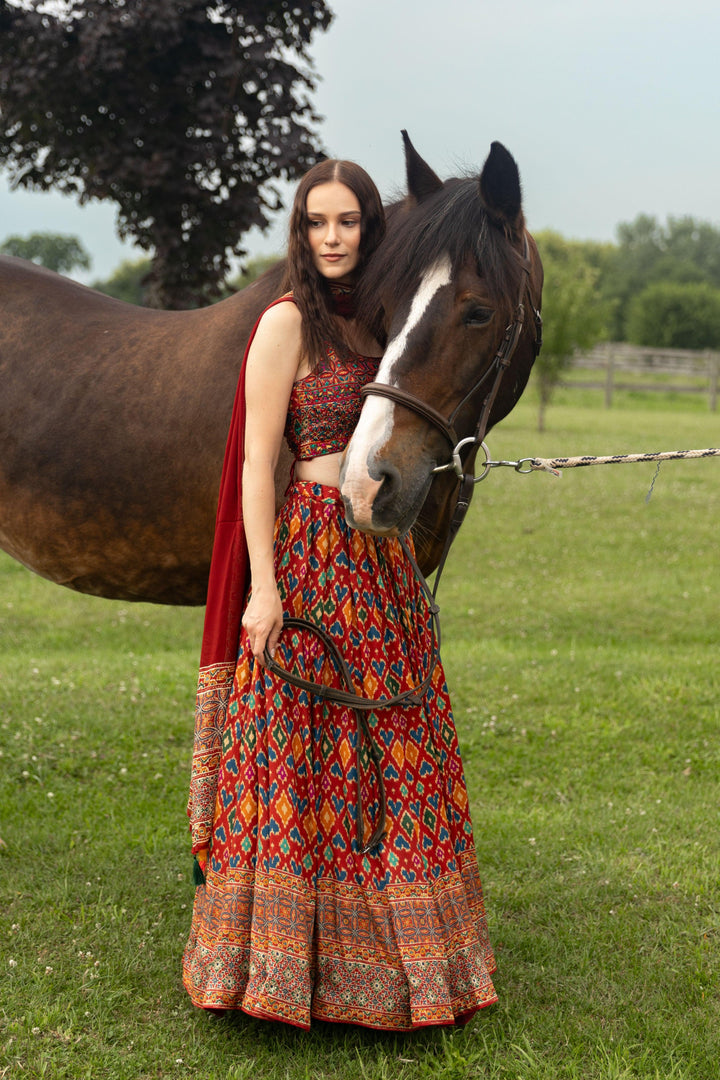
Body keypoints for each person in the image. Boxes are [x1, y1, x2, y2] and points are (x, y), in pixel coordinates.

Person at [182, 158, 497, 1030]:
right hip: (311, 549)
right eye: (317, 222)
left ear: (371, 229)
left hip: (380, 562)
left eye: (348, 222)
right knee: (296, 758)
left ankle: (407, 971)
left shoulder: (387, 325)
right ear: (300, 230)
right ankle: (282, 970)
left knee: (395, 757)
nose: (332, 238)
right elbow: (254, 465)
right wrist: (264, 587)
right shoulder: (288, 324)